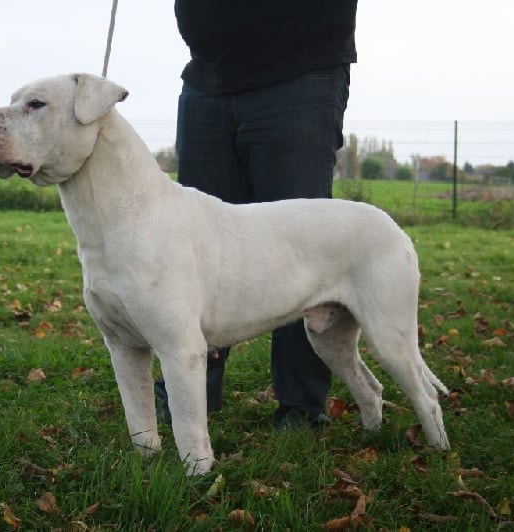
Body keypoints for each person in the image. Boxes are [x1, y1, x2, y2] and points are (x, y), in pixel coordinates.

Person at [155, 0, 358, 430]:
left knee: (300, 249)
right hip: (208, 78)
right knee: (195, 249)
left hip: (301, 73)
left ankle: (301, 406)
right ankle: (189, 393)